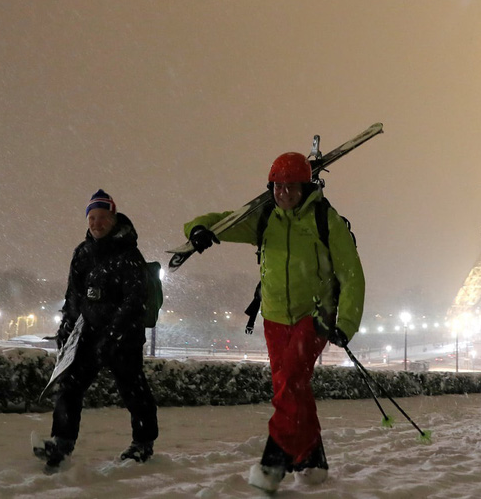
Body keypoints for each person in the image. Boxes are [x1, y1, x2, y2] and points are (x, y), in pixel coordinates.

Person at [184, 152, 365, 492]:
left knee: (290, 383)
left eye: (291, 187)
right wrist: (198, 229)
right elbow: (223, 221)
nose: (283, 193)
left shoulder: (326, 221)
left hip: (315, 316)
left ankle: (274, 461)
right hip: (274, 318)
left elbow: (352, 274)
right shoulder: (266, 216)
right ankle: (312, 460)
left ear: (305, 186)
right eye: (277, 187)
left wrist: (347, 321)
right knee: (291, 386)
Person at [35, 189, 158, 467]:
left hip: (122, 336)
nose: (96, 223)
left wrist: (114, 332)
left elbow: (134, 299)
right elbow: (74, 296)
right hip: (88, 334)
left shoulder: (129, 255)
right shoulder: (83, 253)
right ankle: (61, 442)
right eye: (92, 217)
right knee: (70, 386)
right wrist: (66, 326)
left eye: (103, 217)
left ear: (113, 219)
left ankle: (143, 443)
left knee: (133, 389)